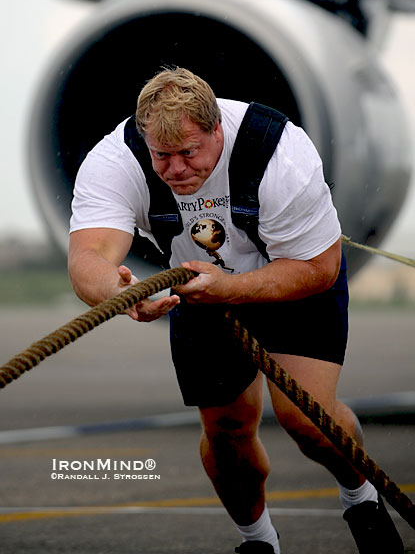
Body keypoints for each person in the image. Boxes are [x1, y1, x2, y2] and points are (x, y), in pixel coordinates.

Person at [68, 67, 403, 554]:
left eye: (189, 153)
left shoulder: (279, 154)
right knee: (225, 432)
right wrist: (119, 293)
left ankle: (360, 496)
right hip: (201, 290)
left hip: (293, 277)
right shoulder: (114, 161)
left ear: (217, 130)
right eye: (162, 157)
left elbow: (321, 267)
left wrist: (234, 286)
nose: (176, 170)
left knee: (307, 421)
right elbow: (89, 258)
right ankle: (259, 541)